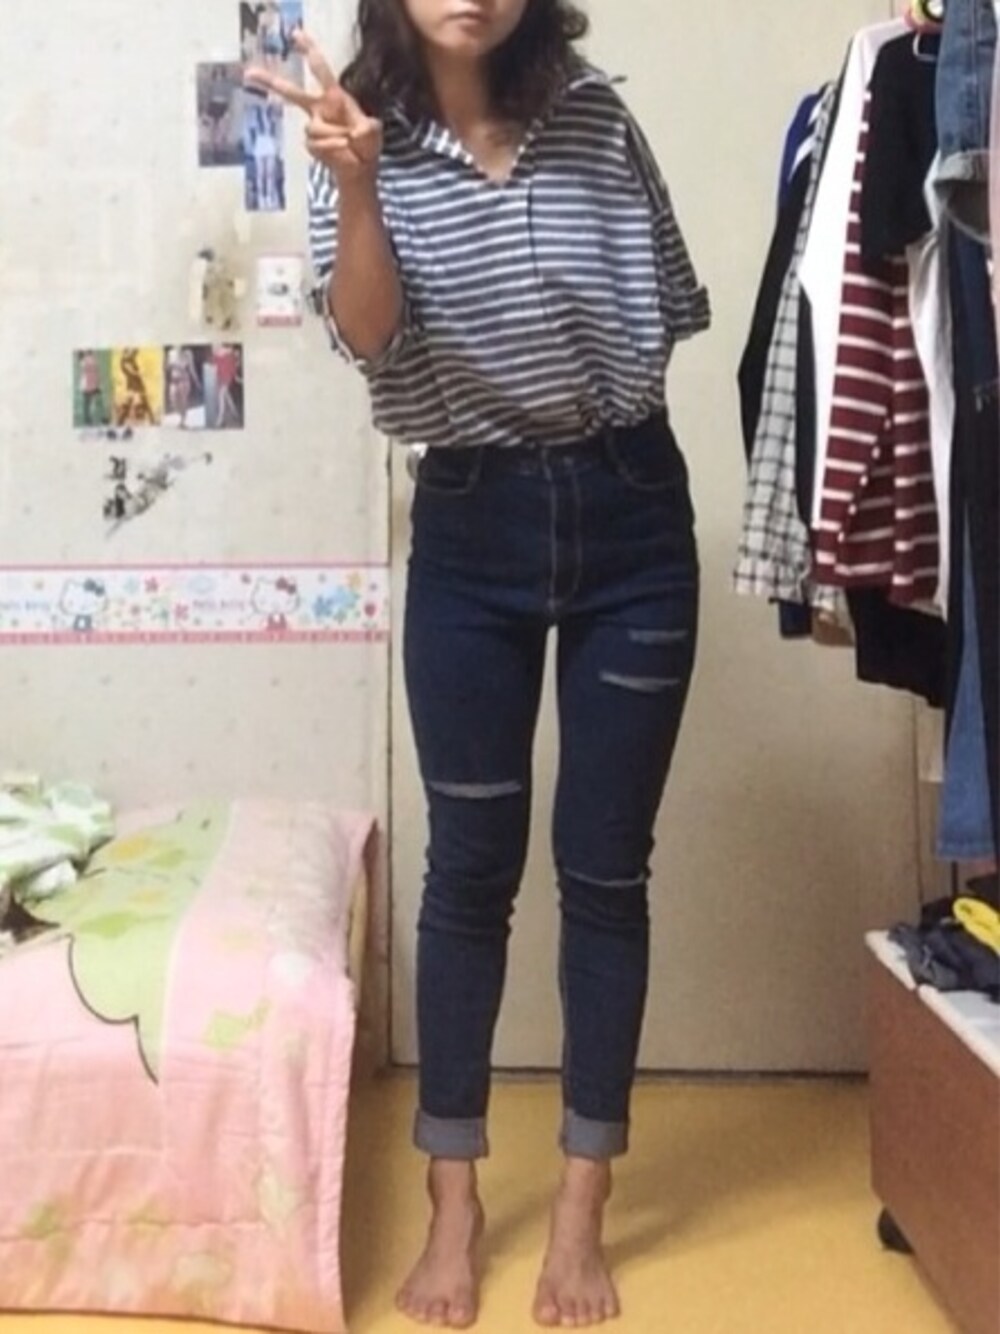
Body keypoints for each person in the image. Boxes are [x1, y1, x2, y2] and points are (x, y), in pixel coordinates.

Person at [248, 3, 709, 1327]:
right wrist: (357, 190)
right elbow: (373, 339)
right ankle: (454, 1201)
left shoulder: (597, 119)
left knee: (605, 872)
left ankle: (581, 1207)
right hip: (468, 522)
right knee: (469, 870)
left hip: (630, 512)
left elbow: (665, 310)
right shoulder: (360, 139)